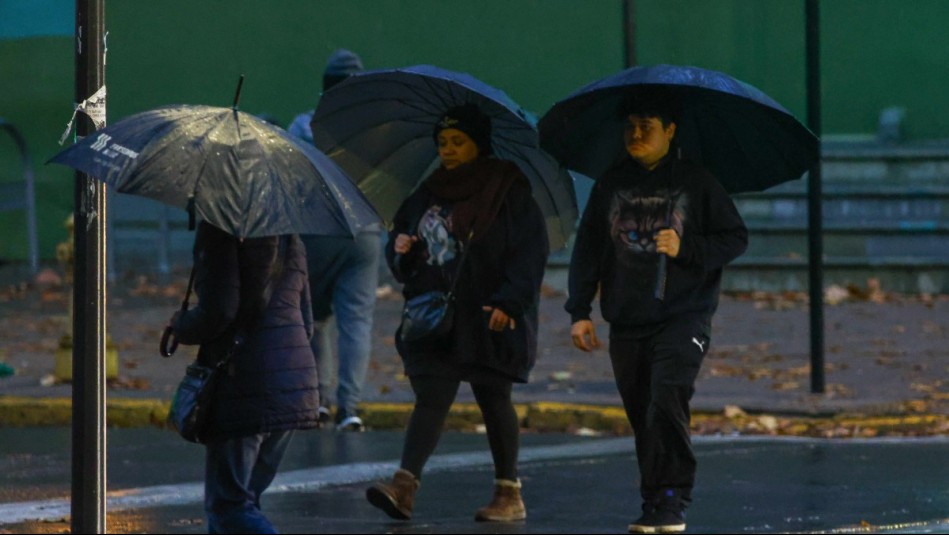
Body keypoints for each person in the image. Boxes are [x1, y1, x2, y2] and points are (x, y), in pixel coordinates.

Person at [564, 93, 748, 533]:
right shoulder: (610, 183)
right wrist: (580, 309)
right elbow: (588, 248)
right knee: (642, 410)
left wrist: (687, 249)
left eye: (648, 125)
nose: (636, 134)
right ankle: (653, 499)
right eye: (630, 126)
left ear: (670, 130)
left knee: (667, 396)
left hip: (684, 315)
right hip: (627, 317)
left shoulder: (697, 182)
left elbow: (735, 238)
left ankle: (673, 496)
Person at [365, 104, 549, 522]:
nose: (447, 150)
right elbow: (403, 243)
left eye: (457, 142)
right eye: (442, 142)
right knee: (431, 397)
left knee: (493, 396)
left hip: (488, 313)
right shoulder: (428, 192)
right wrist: (402, 252)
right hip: (438, 317)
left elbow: (529, 253)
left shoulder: (507, 190)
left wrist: (510, 302)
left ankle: (509, 492)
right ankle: (404, 486)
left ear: (478, 144)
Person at [168, 221, 320, 534]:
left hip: (245, 381)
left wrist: (180, 325)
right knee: (243, 504)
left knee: (229, 507)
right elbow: (306, 323)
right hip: (293, 382)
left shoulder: (220, 229)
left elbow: (219, 311)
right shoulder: (291, 234)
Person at [290, 48, 383, 431]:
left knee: (314, 316)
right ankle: (351, 406)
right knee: (356, 322)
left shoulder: (304, 126)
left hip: (317, 232)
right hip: (364, 233)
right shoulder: (377, 130)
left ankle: (318, 399)